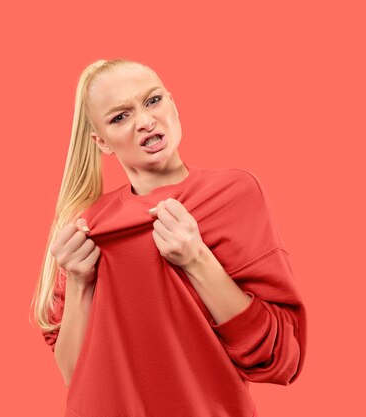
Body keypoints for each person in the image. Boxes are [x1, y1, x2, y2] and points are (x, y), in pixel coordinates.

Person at [30, 58, 307, 417]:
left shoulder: (233, 195)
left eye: (153, 100)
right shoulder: (88, 228)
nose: (145, 121)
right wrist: (81, 282)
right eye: (120, 117)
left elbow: (279, 357)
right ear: (102, 142)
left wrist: (197, 259)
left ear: (174, 103)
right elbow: (75, 376)